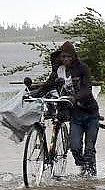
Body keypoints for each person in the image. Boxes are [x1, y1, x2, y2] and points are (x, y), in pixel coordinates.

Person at [37, 41, 100, 176]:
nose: (66, 59)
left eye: (68, 57)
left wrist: (75, 98)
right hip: (76, 115)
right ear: (60, 57)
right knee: (75, 148)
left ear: (74, 57)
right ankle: (84, 170)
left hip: (90, 113)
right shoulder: (58, 70)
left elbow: (87, 89)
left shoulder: (83, 68)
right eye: (63, 57)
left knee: (89, 149)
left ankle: (91, 178)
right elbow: (48, 85)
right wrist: (35, 93)